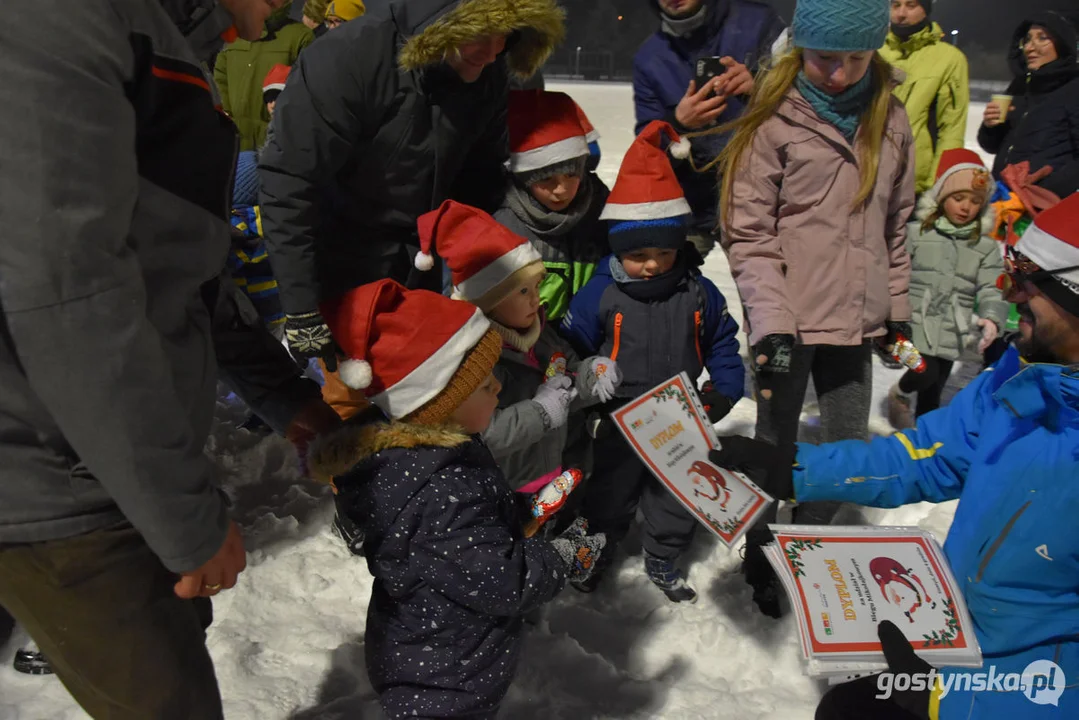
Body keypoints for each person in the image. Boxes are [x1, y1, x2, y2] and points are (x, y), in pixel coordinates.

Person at [0, 0, 342, 713]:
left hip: (96, 467)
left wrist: (285, 397)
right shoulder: (54, 19)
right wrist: (180, 516)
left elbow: (177, 276)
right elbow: (68, 292)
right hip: (63, 482)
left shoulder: (157, 32)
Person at [712, 191, 1079, 720]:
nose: (1009, 292)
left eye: (1028, 277)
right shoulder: (1019, 376)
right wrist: (794, 469)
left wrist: (955, 702)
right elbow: (928, 458)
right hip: (958, 640)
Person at [307, 279, 606, 719]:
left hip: (435, 647)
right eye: (486, 386)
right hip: (445, 674)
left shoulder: (440, 455)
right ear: (441, 405)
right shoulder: (440, 490)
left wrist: (525, 512)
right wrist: (561, 558)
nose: (500, 390)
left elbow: (468, 544)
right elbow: (503, 582)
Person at [718, 0, 915, 618]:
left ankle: (812, 545)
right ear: (801, 47)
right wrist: (771, 322)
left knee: (848, 449)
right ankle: (764, 547)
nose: (840, 73)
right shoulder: (774, 122)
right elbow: (748, 232)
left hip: (855, 323)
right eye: (826, 57)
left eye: (857, 57)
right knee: (775, 446)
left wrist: (898, 312)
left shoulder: (891, 117)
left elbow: (897, 227)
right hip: (789, 323)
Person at [259, 0, 565, 375]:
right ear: (442, 22)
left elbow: (479, 178)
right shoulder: (348, 58)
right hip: (338, 258)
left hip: (422, 262)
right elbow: (289, 180)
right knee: (348, 392)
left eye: (503, 35)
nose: (492, 51)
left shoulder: (488, 73)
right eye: (479, 34)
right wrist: (302, 304)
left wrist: (486, 266)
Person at [561, 121, 745, 602]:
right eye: (639, 254)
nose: (652, 264)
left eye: (664, 252)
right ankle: (592, 554)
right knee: (608, 493)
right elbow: (573, 343)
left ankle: (663, 556)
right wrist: (587, 381)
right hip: (620, 417)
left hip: (681, 415)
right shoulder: (601, 292)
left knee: (676, 495)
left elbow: (723, 340)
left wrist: (724, 387)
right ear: (620, 249)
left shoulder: (698, 293)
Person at [414, 200, 617, 496]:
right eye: (523, 291)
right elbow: (481, 433)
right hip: (504, 487)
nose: (536, 299)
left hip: (550, 474)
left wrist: (591, 375)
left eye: (537, 286)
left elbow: (566, 379)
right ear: (488, 300)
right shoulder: (471, 358)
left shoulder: (541, 333)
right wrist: (540, 413)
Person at [633, 0, 786, 258]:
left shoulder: (758, 22)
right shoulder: (649, 58)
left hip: (762, 196)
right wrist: (677, 123)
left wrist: (762, 86)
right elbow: (647, 148)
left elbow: (809, 97)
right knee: (663, 288)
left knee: (768, 291)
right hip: (691, 201)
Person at [887, 150, 1008, 428]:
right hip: (910, 326)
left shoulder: (985, 247)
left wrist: (991, 315)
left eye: (975, 201)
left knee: (933, 395)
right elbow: (893, 272)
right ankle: (901, 393)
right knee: (923, 371)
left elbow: (993, 286)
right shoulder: (916, 234)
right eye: (958, 198)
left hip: (953, 330)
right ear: (941, 198)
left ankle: (923, 446)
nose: (966, 207)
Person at [494, 90, 611, 324]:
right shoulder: (501, 221)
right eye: (546, 179)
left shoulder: (601, 208)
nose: (562, 189)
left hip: (590, 336)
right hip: (532, 345)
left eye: (571, 174)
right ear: (524, 179)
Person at [978, 12, 1079, 199]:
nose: (1030, 47)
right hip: (1003, 197)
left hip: (1043, 205)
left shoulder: (1073, 89)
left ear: (1062, 44)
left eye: (1043, 38)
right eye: (1027, 40)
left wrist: (1047, 190)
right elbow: (992, 146)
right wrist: (990, 126)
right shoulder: (1019, 86)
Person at [879, 0, 969, 195]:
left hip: (914, 181)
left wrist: (940, 182)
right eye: (896, 5)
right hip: (868, 172)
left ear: (925, 10)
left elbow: (951, 128)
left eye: (911, 5)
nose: (901, 13)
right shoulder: (874, 51)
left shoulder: (949, 58)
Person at [213, 1, 314, 151]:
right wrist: (227, 114)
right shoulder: (236, 31)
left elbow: (307, 91)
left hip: (273, 145)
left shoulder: (300, 36)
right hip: (232, 142)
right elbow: (220, 76)